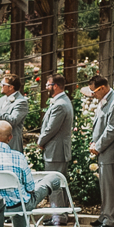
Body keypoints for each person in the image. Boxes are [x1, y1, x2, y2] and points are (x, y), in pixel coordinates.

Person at [0, 120, 49, 227]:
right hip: (16, 206)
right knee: (46, 183)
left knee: (21, 198)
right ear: (10, 138)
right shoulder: (18, 157)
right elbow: (30, 187)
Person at [87, 75, 114, 227]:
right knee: (105, 186)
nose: (93, 95)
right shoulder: (105, 101)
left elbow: (113, 129)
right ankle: (104, 215)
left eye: (94, 92)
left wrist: (98, 146)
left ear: (102, 88)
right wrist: (94, 142)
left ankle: (111, 220)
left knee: (111, 187)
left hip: (111, 151)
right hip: (104, 151)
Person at [38, 74, 75, 209]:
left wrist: (40, 142)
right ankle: (61, 213)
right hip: (57, 150)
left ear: (55, 86)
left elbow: (51, 129)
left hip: (56, 150)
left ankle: (58, 216)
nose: (46, 88)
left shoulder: (60, 104)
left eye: (48, 85)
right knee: (59, 183)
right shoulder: (63, 101)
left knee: (55, 184)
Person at [0, 73, 29, 152]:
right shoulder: (2, 99)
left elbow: (13, 121)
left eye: (3, 84)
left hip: (11, 143)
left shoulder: (21, 102)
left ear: (11, 87)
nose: (0, 86)